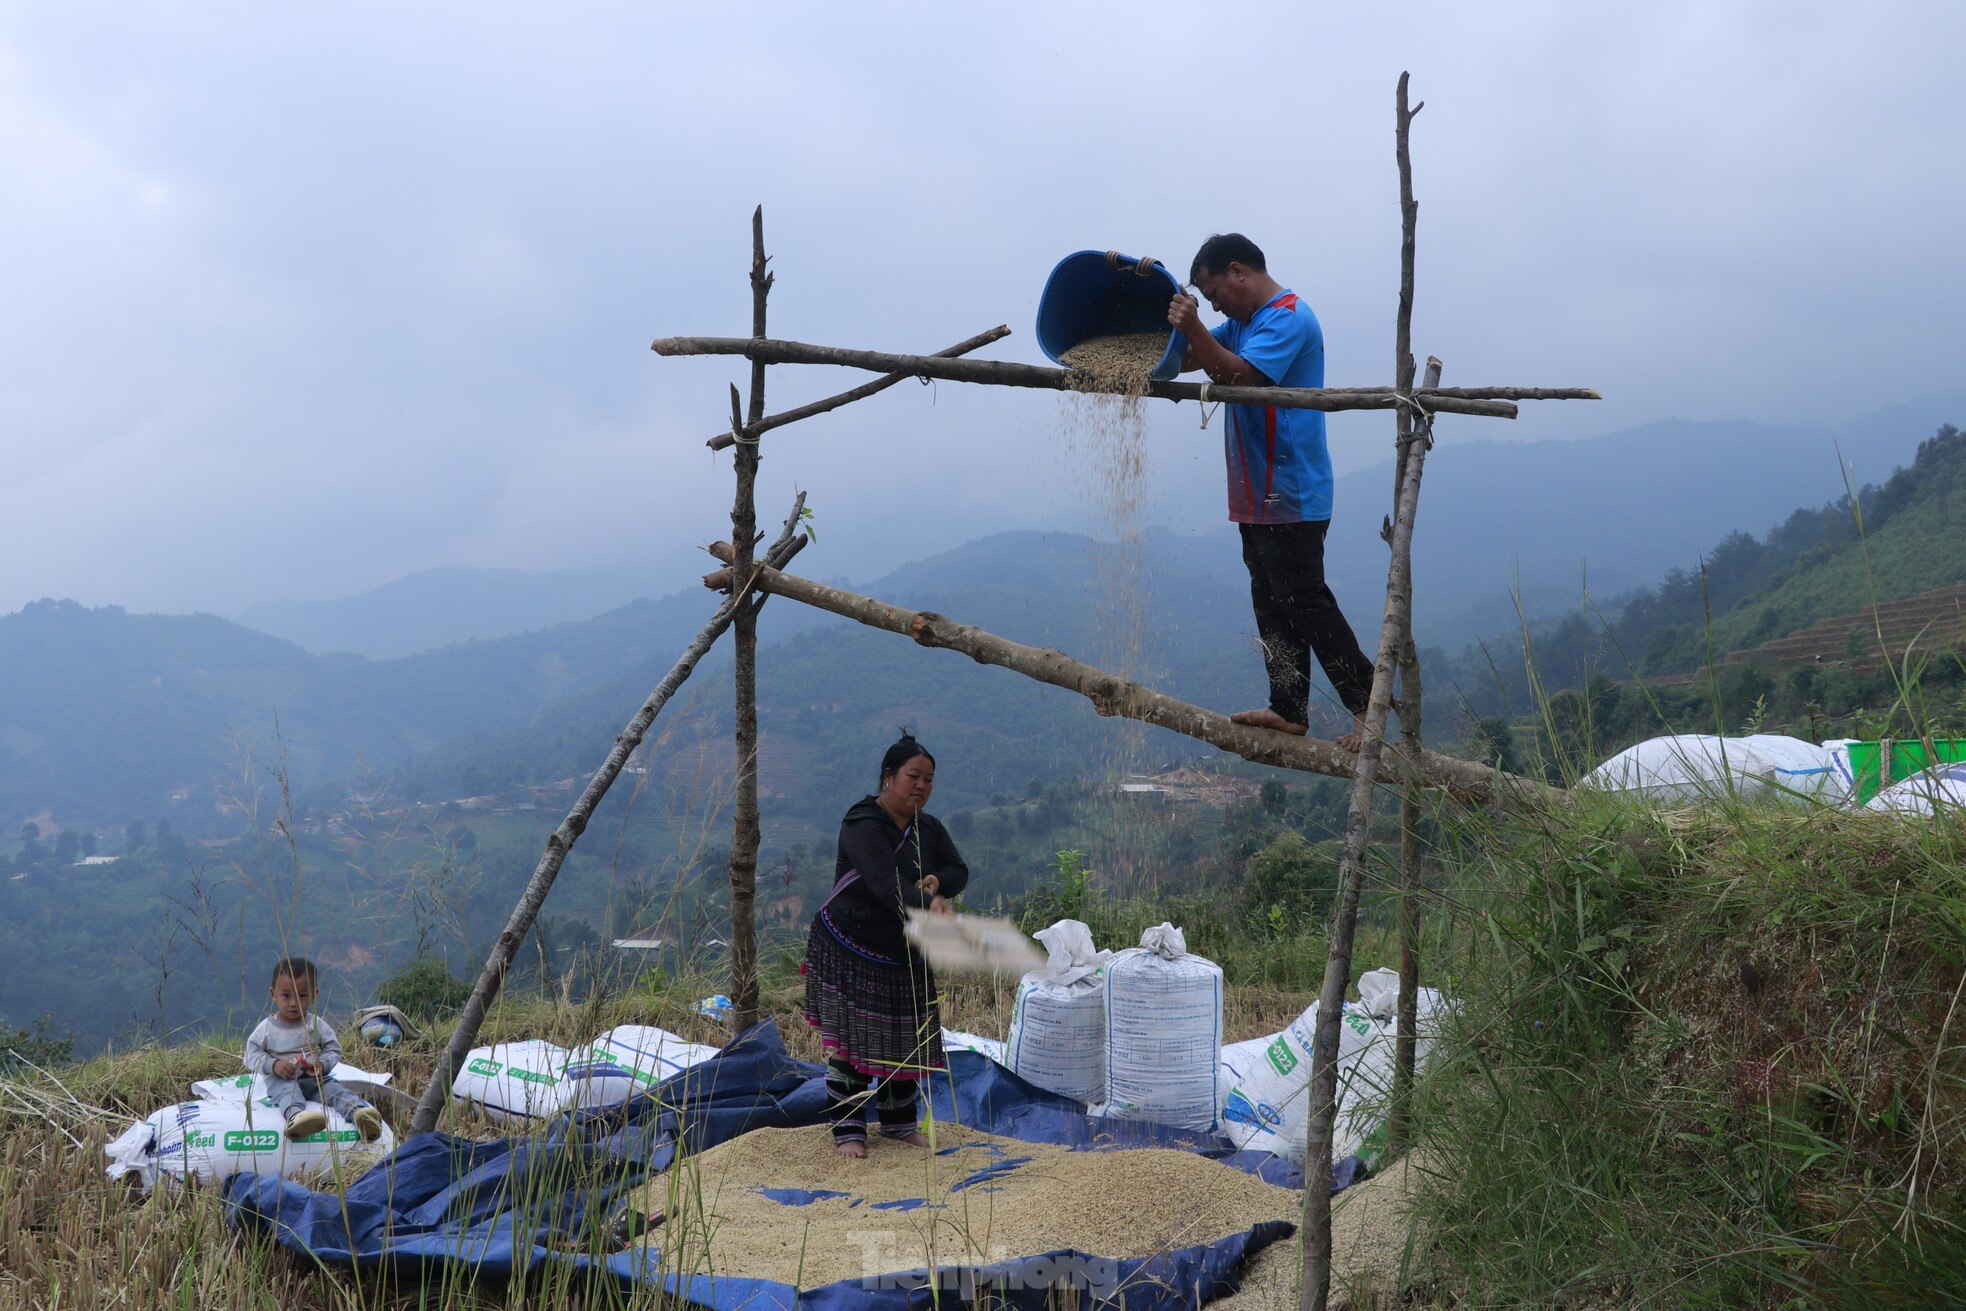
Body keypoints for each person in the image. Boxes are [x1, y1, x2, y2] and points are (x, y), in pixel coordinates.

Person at [1169, 232, 1375, 753]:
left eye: (1215, 292)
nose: (1215, 304)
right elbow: (1199, 357)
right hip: (1257, 494)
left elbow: (1239, 375)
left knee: (1304, 600)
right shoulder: (1243, 323)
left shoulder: (1286, 318)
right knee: (1270, 601)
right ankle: (1288, 708)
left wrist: (1195, 326)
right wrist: (1177, 330)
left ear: (1239, 271)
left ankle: (1367, 704)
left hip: (1291, 490)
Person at [802, 733, 968, 1158]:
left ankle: (897, 1124)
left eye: (929, 780)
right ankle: (848, 1128)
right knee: (853, 1037)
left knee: (905, 1037)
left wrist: (939, 882)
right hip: (853, 943)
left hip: (905, 948)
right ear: (888, 777)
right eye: (914, 777)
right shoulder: (862, 824)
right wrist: (930, 902)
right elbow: (883, 883)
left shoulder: (926, 828)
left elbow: (956, 867)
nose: (922, 787)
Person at [245, 956, 385, 1142]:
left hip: (315, 1080)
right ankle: (297, 1119)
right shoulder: (267, 1028)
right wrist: (274, 1065)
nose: (294, 1003)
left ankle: (361, 1115)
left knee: (337, 1091)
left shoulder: (316, 1025)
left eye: (302, 996)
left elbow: (333, 1048)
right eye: (286, 996)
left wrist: (322, 1065)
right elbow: (250, 1055)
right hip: (282, 1081)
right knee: (290, 1094)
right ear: (273, 994)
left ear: (314, 994)